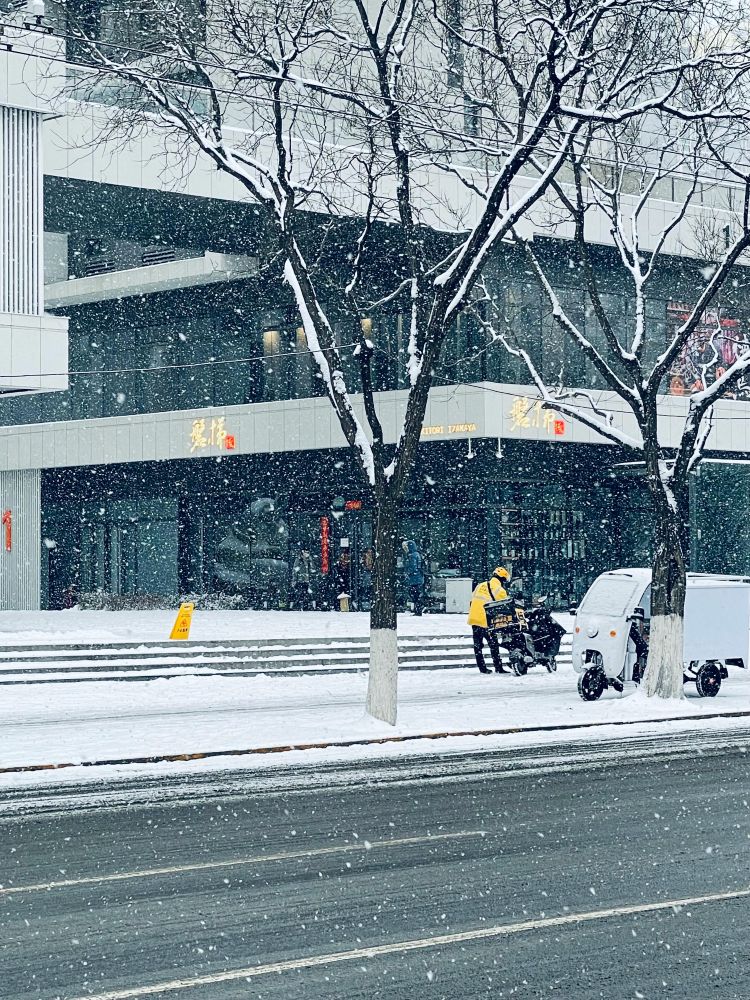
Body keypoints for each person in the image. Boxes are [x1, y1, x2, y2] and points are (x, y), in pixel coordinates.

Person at [467, 566, 510, 674]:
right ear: (502, 579)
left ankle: (482, 668)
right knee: (493, 644)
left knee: (478, 645)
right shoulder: (500, 590)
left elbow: (471, 600)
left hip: (474, 618)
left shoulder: (480, 585)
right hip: (486, 620)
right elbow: (506, 607)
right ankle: (498, 667)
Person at [402, 539, 424, 616]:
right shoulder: (416, 554)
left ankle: (418, 610)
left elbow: (412, 567)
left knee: (414, 594)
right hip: (418, 577)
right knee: (416, 594)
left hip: (414, 578)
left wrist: (407, 573)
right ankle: (418, 609)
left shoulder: (412, 556)